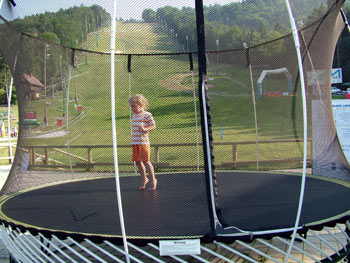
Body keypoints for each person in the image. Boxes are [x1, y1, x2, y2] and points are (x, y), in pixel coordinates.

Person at [129, 94, 157, 190]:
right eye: (131, 106)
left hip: (143, 143)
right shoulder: (134, 115)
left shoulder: (147, 115)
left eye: (134, 106)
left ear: (141, 105)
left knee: (146, 161)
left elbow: (153, 126)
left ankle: (153, 180)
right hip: (135, 142)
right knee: (138, 162)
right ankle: (144, 179)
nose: (132, 108)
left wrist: (145, 128)